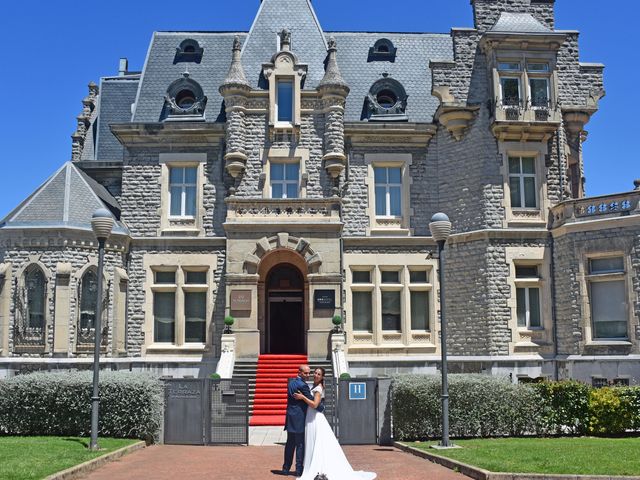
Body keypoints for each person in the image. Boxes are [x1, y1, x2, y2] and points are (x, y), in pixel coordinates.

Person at [293, 368, 376, 480]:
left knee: (316, 442)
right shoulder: (313, 386)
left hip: (315, 418)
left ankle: (317, 467)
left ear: (322, 377)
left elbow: (315, 405)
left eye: (319, 374)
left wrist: (302, 397)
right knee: (312, 442)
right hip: (310, 417)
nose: (316, 375)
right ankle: (311, 465)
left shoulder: (318, 388)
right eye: (315, 373)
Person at [281, 364, 320, 477]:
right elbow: (312, 400)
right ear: (299, 372)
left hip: (290, 416)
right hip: (299, 418)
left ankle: (285, 468)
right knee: (300, 445)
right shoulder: (303, 385)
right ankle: (299, 469)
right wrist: (321, 407)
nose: (308, 375)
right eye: (305, 373)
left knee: (290, 444)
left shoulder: (291, 382)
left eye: (308, 373)